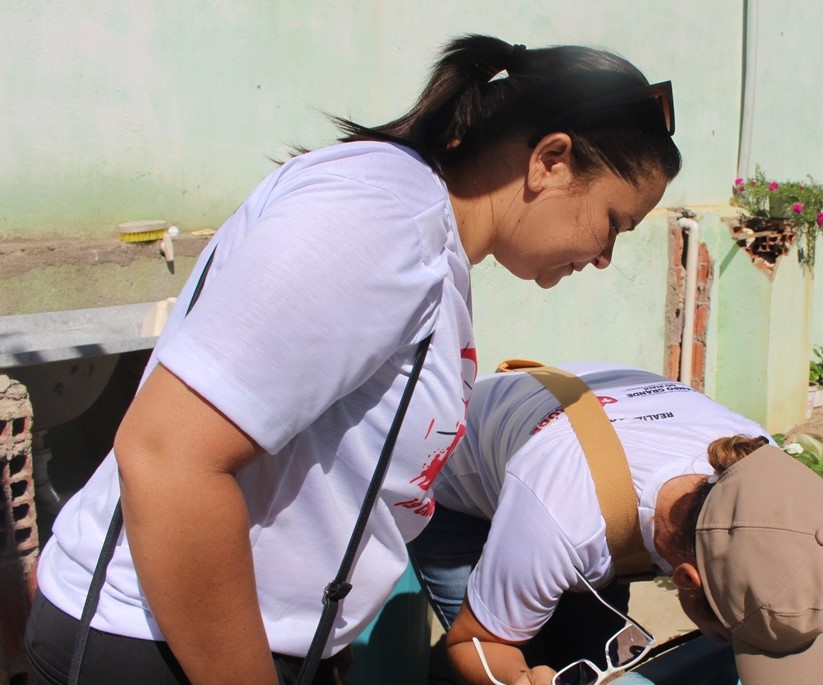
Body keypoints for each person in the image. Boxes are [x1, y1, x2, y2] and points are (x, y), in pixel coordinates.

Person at [24, 35, 681, 685]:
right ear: (551, 161)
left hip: (234, 643)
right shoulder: (380, 220)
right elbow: (169, 458)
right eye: (614, 222)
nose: (605, 258)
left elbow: (333, 469)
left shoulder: (428, 240)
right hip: (152, 646)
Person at [408, 362, 823, 685]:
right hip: (457, 482)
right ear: (687, 582)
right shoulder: (566, 512)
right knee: (525, 653)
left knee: (590, 650)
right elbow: (474, 644)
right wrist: (520, 677)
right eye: (732, 634)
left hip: (575, 443)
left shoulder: (762, 466)